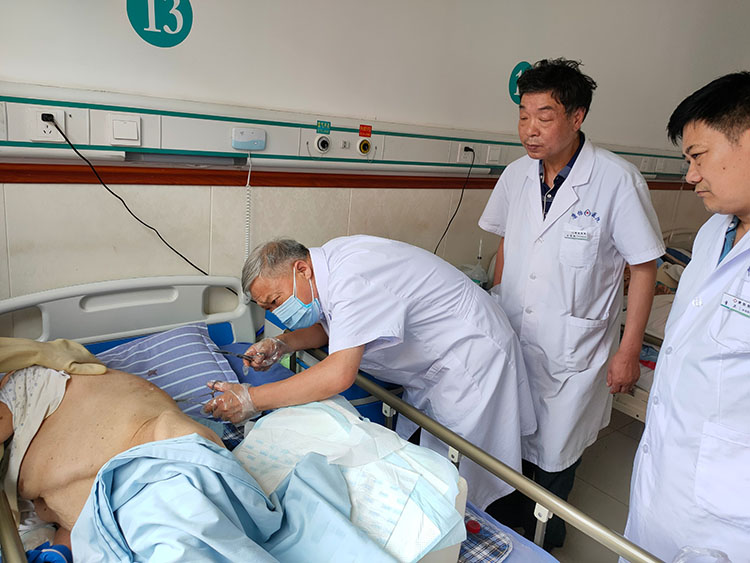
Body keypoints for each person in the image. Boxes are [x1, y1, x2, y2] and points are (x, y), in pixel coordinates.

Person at [204, 235, 537, 510]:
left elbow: (338, 375)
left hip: (471, 360)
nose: (278, 313)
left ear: (301, 269)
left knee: (468, 478)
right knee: (440, 468)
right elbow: (334, 326)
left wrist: (252, 399)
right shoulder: (329, 270)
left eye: (276, 301)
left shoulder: (352, 277)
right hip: (438, 364)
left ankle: (492, 529)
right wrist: (282, 343)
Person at [478, 58, 664, 549]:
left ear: (577, 117)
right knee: (507, 443)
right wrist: (495, 305)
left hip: (574, 349)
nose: (530, 129)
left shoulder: (616, 180)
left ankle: (542, 542)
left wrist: (628, 351)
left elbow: (644, 268)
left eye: (544, 116)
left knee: (554, 461)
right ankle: (505, 538)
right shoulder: (516, 175)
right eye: (523, 116)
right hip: (514, 333)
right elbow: (506, 245)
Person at [0, 349, 395, 562]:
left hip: (160, 464)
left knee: (181, 540)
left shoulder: (34, 382)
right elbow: (77, 508)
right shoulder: (26, 453)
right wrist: (62, 549)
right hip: (118, 505)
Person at [623, 72, 750, 562]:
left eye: (698, 156)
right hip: (665, 484)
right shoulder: (713, 232)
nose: (691, 176)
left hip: (730, 520)